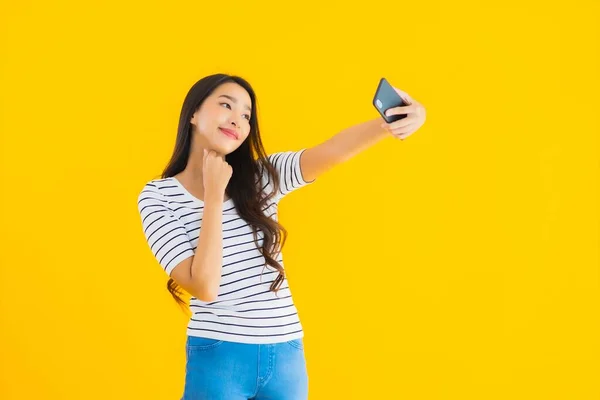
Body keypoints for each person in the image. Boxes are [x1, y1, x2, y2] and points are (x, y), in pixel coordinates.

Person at [137, 73, 426, 400]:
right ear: (193, 113)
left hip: (286, 352)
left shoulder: (264, 177)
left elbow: (331, 151)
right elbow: (204, 286)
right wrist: (215, 195)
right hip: (220, 355)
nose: (238, 119)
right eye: (226, 105)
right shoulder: (159, 197)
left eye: (246, 115)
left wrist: (389, 123)